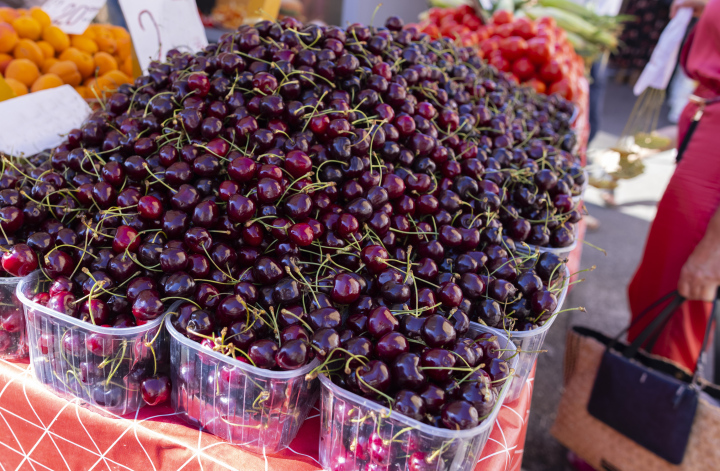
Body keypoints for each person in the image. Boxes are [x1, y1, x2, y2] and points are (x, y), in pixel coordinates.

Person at [627, 0, 720, 372]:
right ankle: (633, 403)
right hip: (704, 133)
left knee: (683, 301)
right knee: (656, 290)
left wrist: (715, 249)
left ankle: (652, 415)